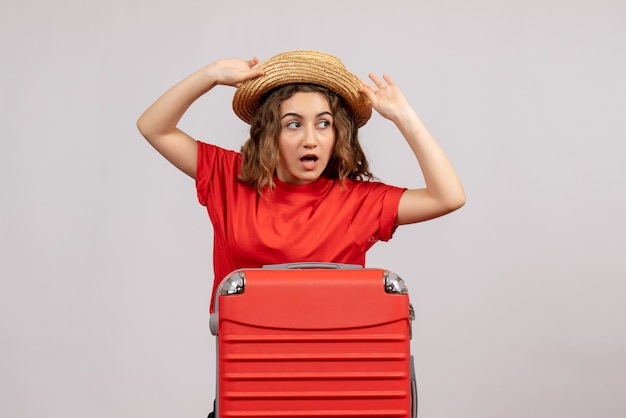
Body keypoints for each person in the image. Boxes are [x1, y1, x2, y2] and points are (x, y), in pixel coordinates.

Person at [137, 49, 465, 417]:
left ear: (338, 132)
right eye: (293, 124)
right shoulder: (229, 178)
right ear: (269, 132)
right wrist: (211, 74)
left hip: (341, 390)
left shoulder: (358, 201)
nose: (310, 139)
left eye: (323, 123)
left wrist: (405, 118)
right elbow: (153, 126)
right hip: (250, 387)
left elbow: (448, 196)